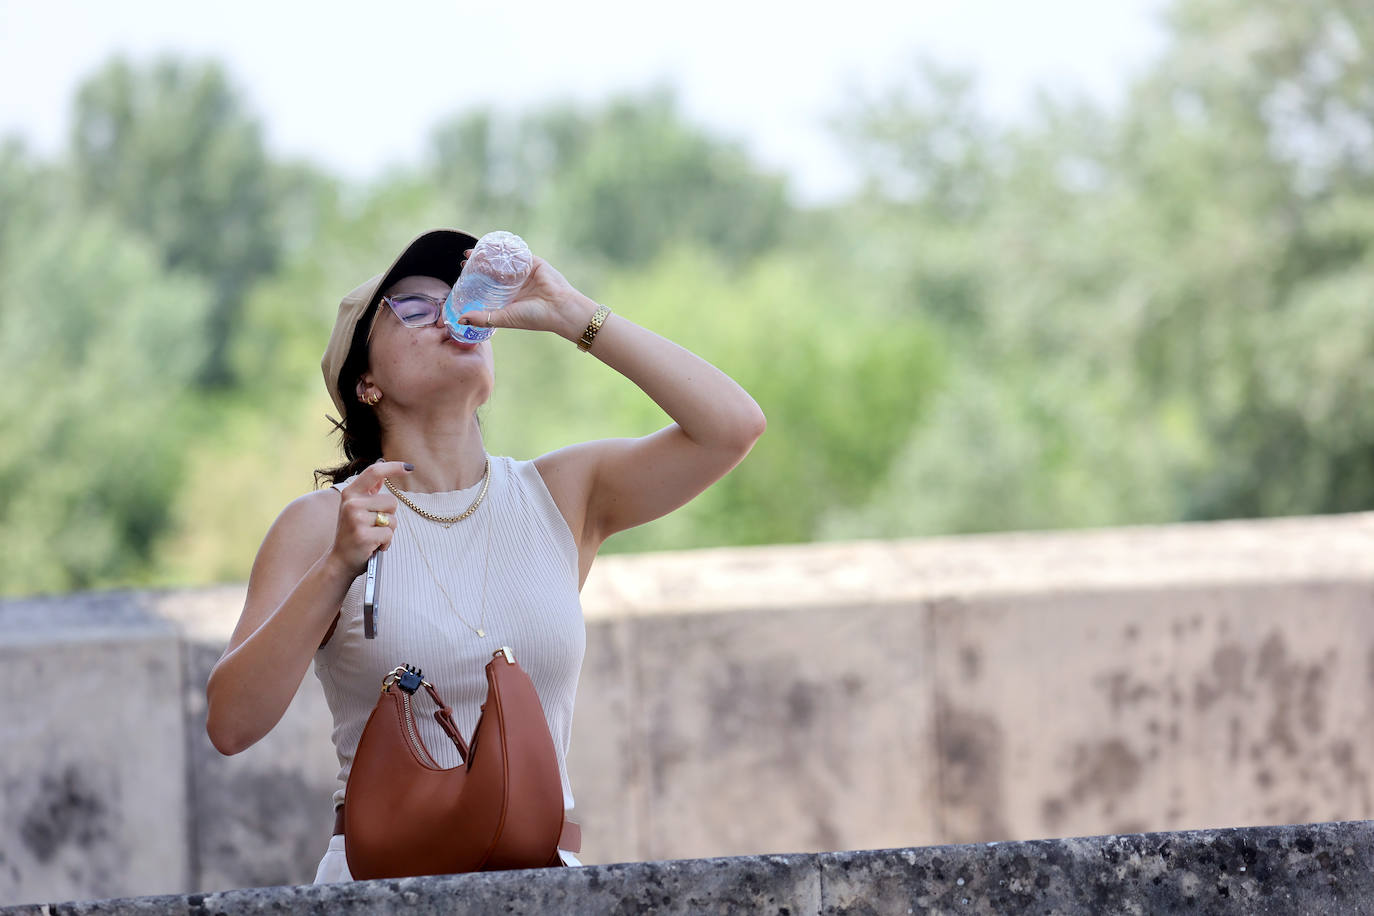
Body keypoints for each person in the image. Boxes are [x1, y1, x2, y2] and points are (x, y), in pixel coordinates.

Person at [203, 228, 766, 883]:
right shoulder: (325, 522)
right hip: (383, 886)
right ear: (366, 383)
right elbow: (231, 725)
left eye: (460, 298)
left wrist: (574, 314)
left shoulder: (562, 494)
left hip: (543, 881)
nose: (451, 312)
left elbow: (732, 427)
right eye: (414, 306)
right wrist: (337, 567)